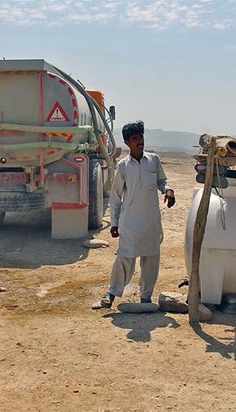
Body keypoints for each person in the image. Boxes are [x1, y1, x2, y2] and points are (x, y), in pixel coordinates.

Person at [93, 120, 175, 309]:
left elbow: (162, 180)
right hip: (129, 222)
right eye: (135, 138)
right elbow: (115, 198)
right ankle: (111, 294)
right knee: (125, 258)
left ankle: (146, 298)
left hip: (151, 221)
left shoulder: (153, 160)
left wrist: (168, 190)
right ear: (127, 142)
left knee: (151, 259)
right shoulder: (123, 166)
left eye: (141, 137)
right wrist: (114, 223)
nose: (140, 141)